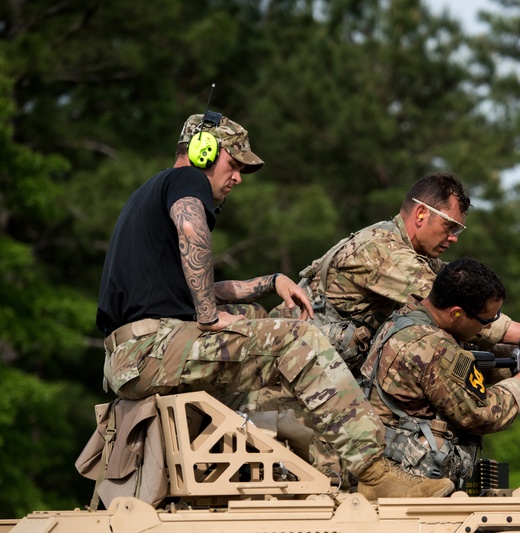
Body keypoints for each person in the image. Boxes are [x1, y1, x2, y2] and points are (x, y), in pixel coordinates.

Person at [96, 112, 453, 499]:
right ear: (202, 152)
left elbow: (195, 287)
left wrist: (270, 282)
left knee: (259, 324)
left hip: (142, 351)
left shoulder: (148, 195)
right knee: (296, 339)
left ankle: (320, 471)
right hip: (150, 349)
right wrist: (208, 316)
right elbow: (190, 229)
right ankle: (374, 470)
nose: (236, 179)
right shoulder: (185, 181)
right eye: (233, 165)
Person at [273, 173, 520, 372]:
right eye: (449, 226)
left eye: (459, 230)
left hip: (325, 364)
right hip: (293, 364)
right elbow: (461, 312)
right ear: (422, 214)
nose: (453, 238)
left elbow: (474, 309)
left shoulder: (416, 253)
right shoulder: (384, 252)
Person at [357, 257, 520, 495]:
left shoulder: (405, 319)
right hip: (411, 486)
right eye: (485, 321)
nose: (486, 329)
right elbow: (483, 414)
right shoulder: (434, 346)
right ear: (456, 313)